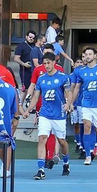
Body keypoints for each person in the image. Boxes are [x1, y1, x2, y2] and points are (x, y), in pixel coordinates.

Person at [30, 51, 74, 180]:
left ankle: (66, 162)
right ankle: (40, 169)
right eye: (44, 63)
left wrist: (68, 104)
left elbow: (69, 93)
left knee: (61, 141)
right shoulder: (41, 78)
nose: (46, 65)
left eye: (49, 63)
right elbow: (36, 96)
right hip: (45, 113)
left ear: (54, 62)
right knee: (42, 137)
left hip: (58, 115)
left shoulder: (62, 77)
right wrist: (28, 110)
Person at [72, 47, 97, 165]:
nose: (88, 56)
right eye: (86, 54)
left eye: (90, 54)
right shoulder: (81, 71)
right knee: (87, 127)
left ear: (95, 56)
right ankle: (88, 154)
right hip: (86, 104)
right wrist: (71, 103)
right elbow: (77, 88)